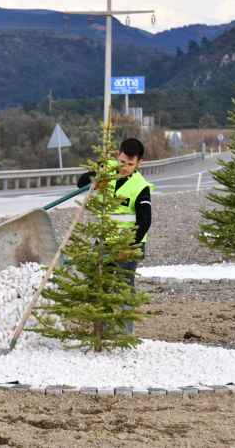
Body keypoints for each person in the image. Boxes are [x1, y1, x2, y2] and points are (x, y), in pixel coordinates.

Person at [77, 137, 153, 334]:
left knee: (124, 287)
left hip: (129, 245)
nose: (124, 167)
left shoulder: (140, 187)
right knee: (98, 282)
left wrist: (128, 246)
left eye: (130, 164)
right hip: (104, 241)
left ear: (138, 163)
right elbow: (80, 183)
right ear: (117, 155)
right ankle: (103, 331)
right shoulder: (106, 169)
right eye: (122, 162)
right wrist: (95, 180)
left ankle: (125, 334)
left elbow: (145, 222)